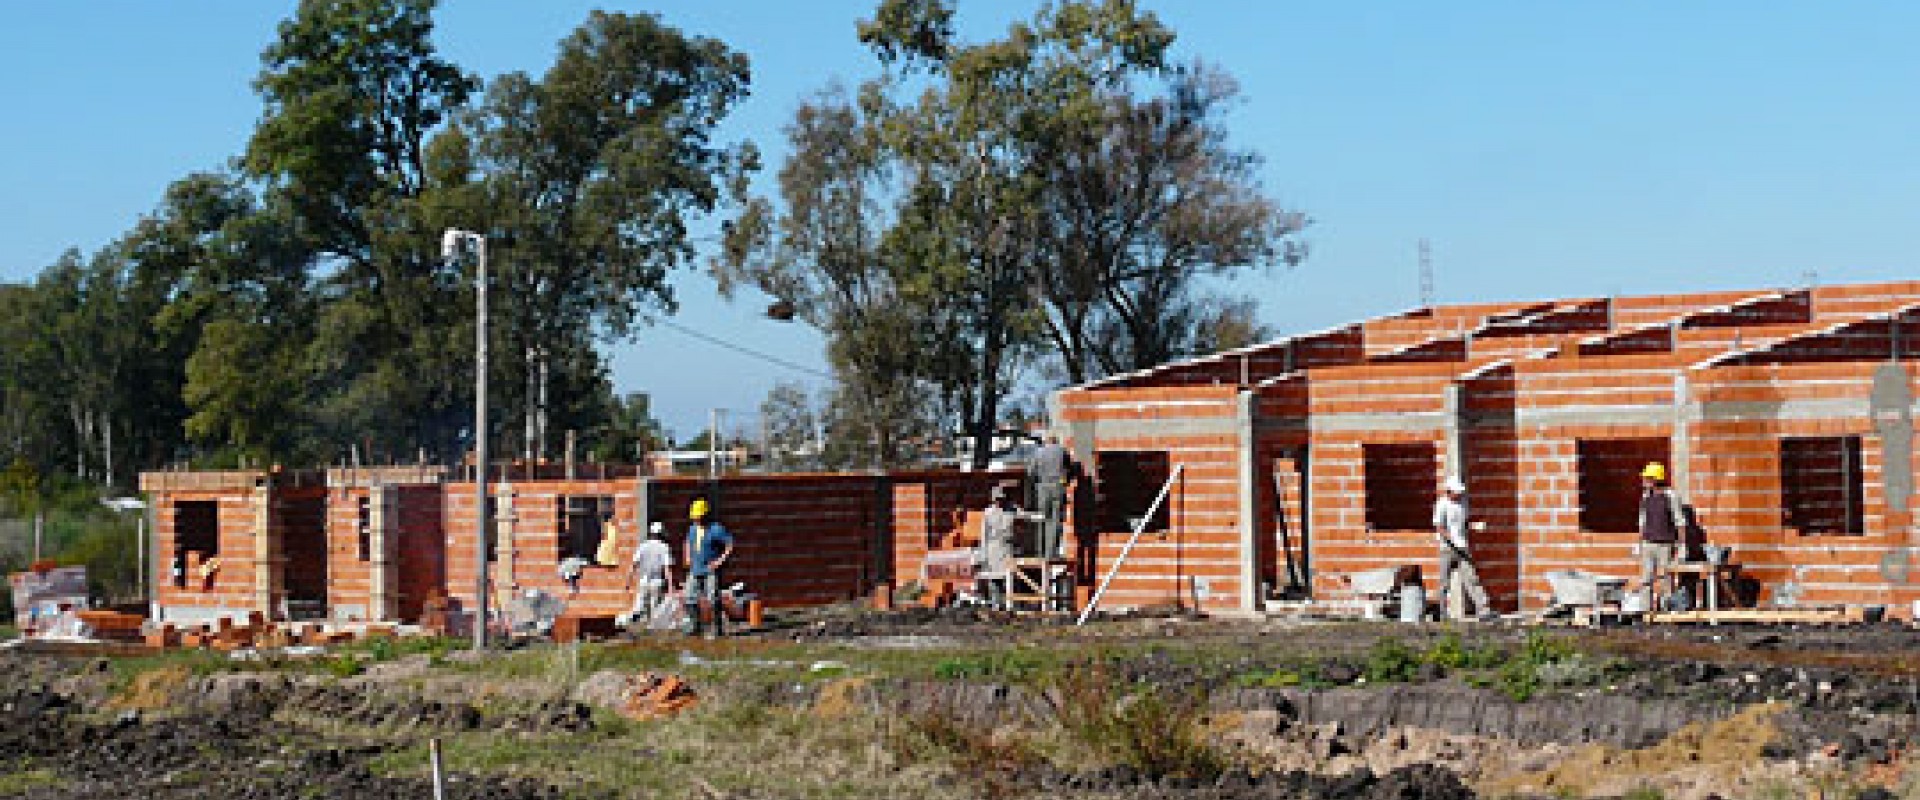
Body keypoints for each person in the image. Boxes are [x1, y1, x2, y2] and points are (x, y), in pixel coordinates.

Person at [1432, 476, 1493, 621]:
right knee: (1444, 582)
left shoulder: (1463, 503)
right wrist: (1450, 539)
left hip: (1462, 547)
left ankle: (1484, 610)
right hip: (1447, 548)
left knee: (1471, 578)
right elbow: (1439, 527)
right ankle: (1440, 613)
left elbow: (1463, 523)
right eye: (1456, 492)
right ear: (1449, 491)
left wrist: (1474, 526)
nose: (1459, 495)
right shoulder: (1442, 504)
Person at [1637, 462, 1688, 610]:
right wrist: (1639, 543)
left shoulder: (1670, 496)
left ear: (1656, 479)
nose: (1644, 481)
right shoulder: (1646, 497)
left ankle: (1667, 609)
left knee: (1666, 577)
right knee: (1646, 578)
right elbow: (1643, 521)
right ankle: (1645, 610)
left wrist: (1682, 545)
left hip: (1665, 544)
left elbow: (1679, 521)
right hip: (1648, 543)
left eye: (1647, 478)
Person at [975, 483, 1034, 609]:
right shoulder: (988, 513)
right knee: (994, 579)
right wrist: (982, 555)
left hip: (1007, 548)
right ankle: (996, 605)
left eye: (1001, 499)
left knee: (1010, 578)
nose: (999, 502)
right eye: (997, 499)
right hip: (993, 548)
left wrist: (1039, 516)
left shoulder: (1012, 509)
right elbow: (984, 535)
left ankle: (1011, 605)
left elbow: (1025, 515)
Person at [682, 498, 734, 638]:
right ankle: (695, 626)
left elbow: (729, 545)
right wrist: (687, 556)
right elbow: (687, 542)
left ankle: (717, 628)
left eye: (698, 517)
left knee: (713, 598)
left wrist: (719, 561)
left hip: (710, 569)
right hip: (695, 568)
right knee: (689, 598)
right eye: (695, 518)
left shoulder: (716, 529)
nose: (696, 520)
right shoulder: (693, 529)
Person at [1028, 434, 1075, 559]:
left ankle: (1040, 552)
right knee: (1056, 521)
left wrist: (1038, 484)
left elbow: (1031, 472)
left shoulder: (1038, 452)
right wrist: (1066, 482)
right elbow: (1071, 470)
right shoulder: (1062, 451)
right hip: (1058, 487)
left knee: (1042, 519)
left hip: (1043, 488)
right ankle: (1052, 552)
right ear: (1056, 441)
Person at [623, 521, 675, 629]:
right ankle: (651, 627)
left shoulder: (642, 546)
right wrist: (670, 586)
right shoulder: (664, 547)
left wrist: (628, 580)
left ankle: (637, 624)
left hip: (643, 580)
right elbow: (667, 568)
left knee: (640, 604)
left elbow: (634, 565)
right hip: (656, 581)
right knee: (654, 607)